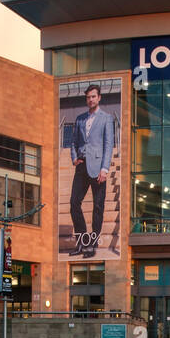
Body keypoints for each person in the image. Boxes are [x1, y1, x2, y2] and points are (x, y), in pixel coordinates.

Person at [69, 84, 115, 259]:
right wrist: (74, 158)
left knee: (98, 206)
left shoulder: (106, 118)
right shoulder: (80, 119)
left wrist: (104, 169)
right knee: (74, 203)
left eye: (93, 96)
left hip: (98, 169)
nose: (91, 100)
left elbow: (108, 145)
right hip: (81, 166)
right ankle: (82, 241)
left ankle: (92, 244)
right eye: (88, 97)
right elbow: (73, 142)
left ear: (99, 98)